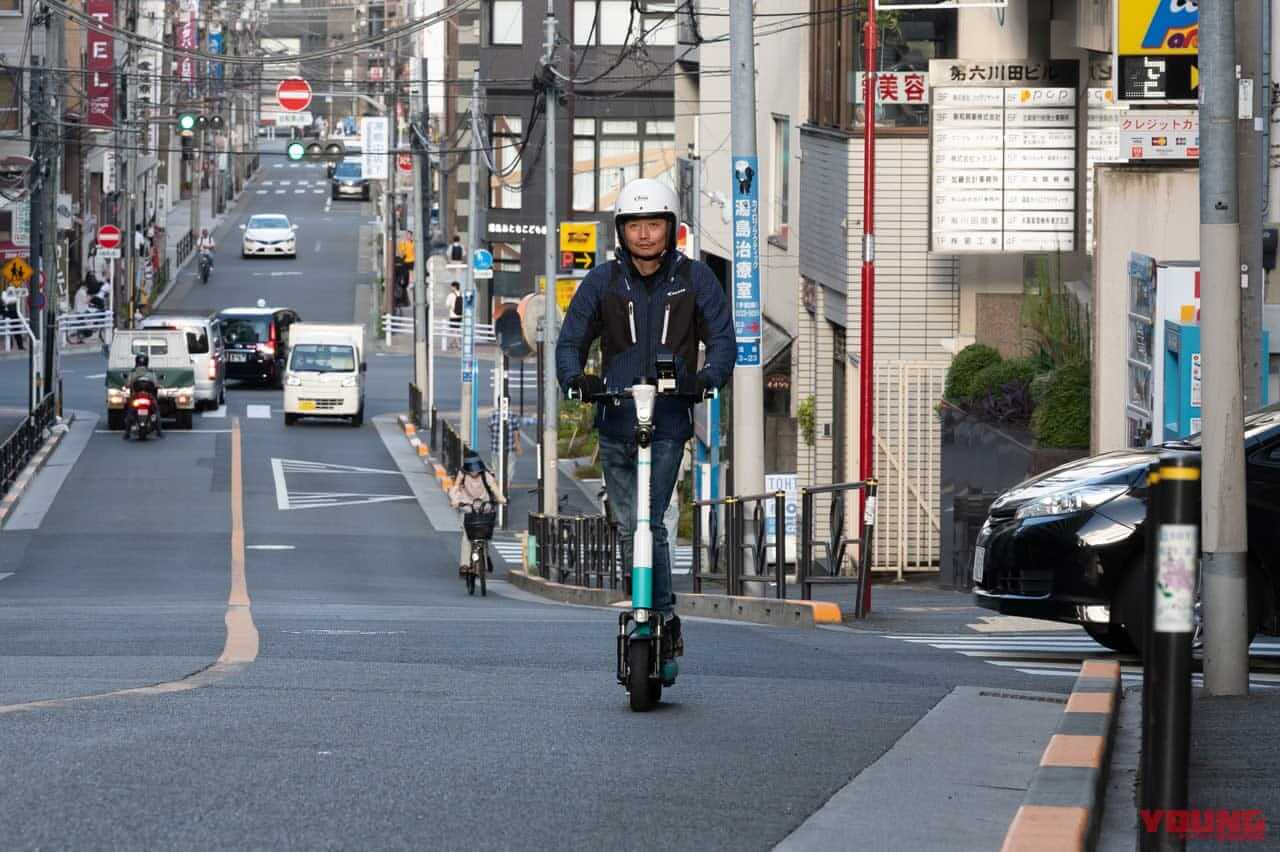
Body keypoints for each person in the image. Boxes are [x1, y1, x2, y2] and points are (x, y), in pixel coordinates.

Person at [555, 177, 736, 623]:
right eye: (634, 225)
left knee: (650, 520)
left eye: (654, 224)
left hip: (670, 419)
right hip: (616, 417)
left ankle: (660, 613)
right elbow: (570, 341)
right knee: (625, 520)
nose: (644, 234)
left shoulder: (696, 279)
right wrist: (576, 379)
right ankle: (639, 598)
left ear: (671, 227)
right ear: (621, 230)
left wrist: (709, 376)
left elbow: (722, 340)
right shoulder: (603, 281)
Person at [447, 452, 506, 575]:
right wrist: (454, 500)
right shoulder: (462, 474)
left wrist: (501, 498)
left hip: (484, 506)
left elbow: (494, 488)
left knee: (484, 533)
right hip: (467, 506)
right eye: (471, 470)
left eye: (476, 470)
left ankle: (484, 558)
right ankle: (464, 564)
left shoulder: (485, 475)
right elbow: (455, 488)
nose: (474, 473)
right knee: (467, 535)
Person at [124, 352, 163, 437]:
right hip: (149, 396)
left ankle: (127, 433)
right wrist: (159, 386)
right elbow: (156, 384)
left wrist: (127, 386)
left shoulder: (132, 372)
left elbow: (127, 384)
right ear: (147, 362)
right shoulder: (151, 372)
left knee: (130, 412)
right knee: (156, 411)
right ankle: (159, 432)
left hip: (136, 396)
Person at [2, 286, 24, 351]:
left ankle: (20, 346)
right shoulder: (4, 293)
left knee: (17, 330)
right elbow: (5, 301)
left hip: (14, 314)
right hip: (8, 314)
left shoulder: (15, 294)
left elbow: (15, 299)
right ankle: (10, 346)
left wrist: (9, 301)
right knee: (8, 331)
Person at [446, 281, 462, 350]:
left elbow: (447, 305)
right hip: (460, 315)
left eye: (452, 286)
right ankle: (452, 344)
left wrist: (451, 308)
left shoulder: (451, 295)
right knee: (456, 330)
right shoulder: (461, 294)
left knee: (454, 330)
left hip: (453, 315)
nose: (451, 287)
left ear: (454, 287)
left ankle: (458, 345)